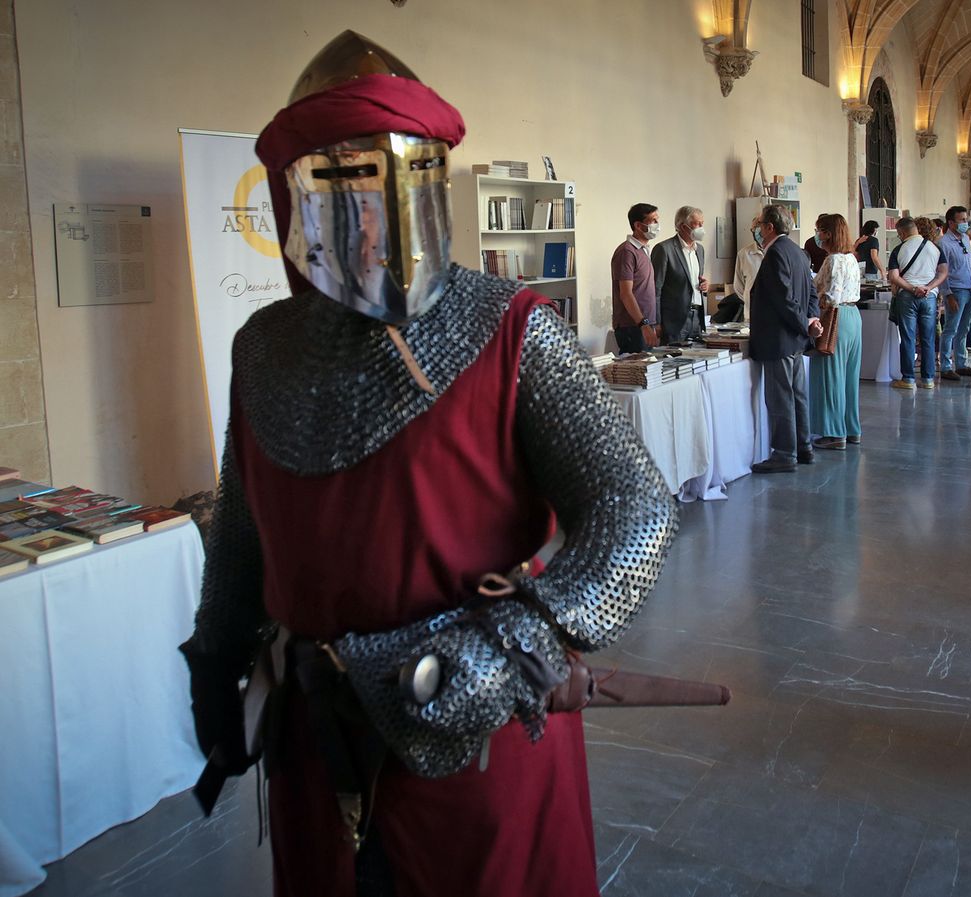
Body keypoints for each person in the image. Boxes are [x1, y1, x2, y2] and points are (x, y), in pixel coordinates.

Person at [179, 31, 679, 897]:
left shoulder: (513, 327)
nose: (381, 209)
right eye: (347, 180)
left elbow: (633, 506)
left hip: (478, 735)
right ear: (296, 193)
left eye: (408, 174)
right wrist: (218, 652)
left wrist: (519, 639)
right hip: (315, 738)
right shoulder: (263, 348)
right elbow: (245, 525)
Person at [749, 204, 823, 473]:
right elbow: (811, 293)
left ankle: (784, 453)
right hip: (794, 338)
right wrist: (811, 320)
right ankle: (804, 447)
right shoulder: (798, 252)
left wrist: (806, 322)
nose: (756, 229)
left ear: (769, 227)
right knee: (798, 395)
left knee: (780, 398)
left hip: (778, 337)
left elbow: (783, 299)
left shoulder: (776, 253)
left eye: (759, 224)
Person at [808, 213, 863, 449]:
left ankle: (833, 433)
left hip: (835, 317)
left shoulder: (832, 260)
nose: (817, 235)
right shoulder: (851, 258)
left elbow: (830, 296)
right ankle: (851, 428)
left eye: (820, 230)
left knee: (831, 375)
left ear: (828, 233)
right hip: (853, 317)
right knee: (849, 377)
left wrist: (815, 302)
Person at [886, 216, 948, 389]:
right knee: (928, 338)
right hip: (929, 297)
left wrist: (913, 289)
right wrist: (929, 287)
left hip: (907, 297)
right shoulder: (934, 248)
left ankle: (908, 379)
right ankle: (928, 379)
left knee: (908, 338)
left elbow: (893, 276)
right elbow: (943, 272)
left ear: (901, 232)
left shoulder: (899, 249)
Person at [651, 205, 709, 343]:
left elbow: (693, 281)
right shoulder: (664, 249)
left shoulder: (699, 250)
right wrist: (656, 322)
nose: (702, 228)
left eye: (702, 223)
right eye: (698, 224)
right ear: (683, 226)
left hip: (697, 316)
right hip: (674, 320)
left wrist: (705, 285)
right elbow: (655, 289)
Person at [937, 205, 971, 380]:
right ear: (951, 222)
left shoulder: (964, 239)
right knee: (951, 329)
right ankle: (946, 366)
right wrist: (948, 293)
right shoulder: (943, 243)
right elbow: (941, 271)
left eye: (966, 219)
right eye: (961, 220)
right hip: (955, 290)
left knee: (964, 328)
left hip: (969, 288)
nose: (965, 222)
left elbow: (970, 261)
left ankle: (961, 364)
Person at [612, 202, 660, 352]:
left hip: (646, 323)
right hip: (633, 326)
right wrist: (643, 324)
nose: (657, 225)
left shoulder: (644, 250)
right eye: (653, 221)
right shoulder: (627, 252)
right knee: (636, 373)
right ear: (638, 226)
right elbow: (626, 294)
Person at [727, 214, 766, 323]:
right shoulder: (744, 254)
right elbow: (739, 287)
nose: (757, 231)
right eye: (754, 228)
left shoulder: (776, 252)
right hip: (751, 314)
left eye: (759, 225)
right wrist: (750, 301)